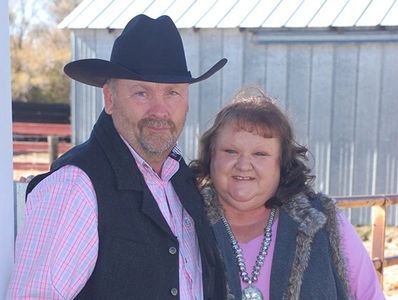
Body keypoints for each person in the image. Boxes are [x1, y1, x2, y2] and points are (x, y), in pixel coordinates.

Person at [7, 14, 228, 299]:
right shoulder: (74, 187)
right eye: (141, 93)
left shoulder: (182, 181)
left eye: (172, 92)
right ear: (109, 99)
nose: (160, 111)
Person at [190, 87, 385, 300]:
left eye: (260, 154)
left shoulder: (324, 224)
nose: (244, 165)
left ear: (281, 163)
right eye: (230, 151)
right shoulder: (184, 222)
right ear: (211, 156)